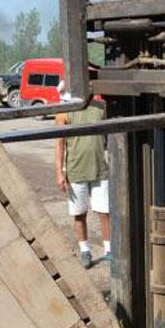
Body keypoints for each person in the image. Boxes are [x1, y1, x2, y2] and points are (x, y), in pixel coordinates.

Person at [55, 83, 111, 269]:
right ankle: (85, 250)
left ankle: (109, 250)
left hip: (100, 170)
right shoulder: (64, 112)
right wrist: (59, 173)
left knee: (105, 212)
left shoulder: (101, 109)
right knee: (79, 214)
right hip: (76, 171)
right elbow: (60, 144)